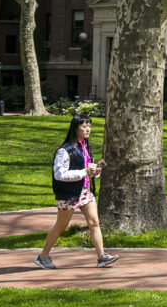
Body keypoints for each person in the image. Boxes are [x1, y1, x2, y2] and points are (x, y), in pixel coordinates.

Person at [33, 115, 119, 269]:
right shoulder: (64, 151)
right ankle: (43, 256)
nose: (87, 129)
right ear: (75, 128)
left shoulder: (85, 147)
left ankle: (102, 256)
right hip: (69, 194)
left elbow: (87, 170)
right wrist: (84, 172)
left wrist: (95, 172)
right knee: (61, 225)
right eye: (84, 126)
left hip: (85, 191)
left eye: (89, 126)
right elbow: (59, 175)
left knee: (94, 222)